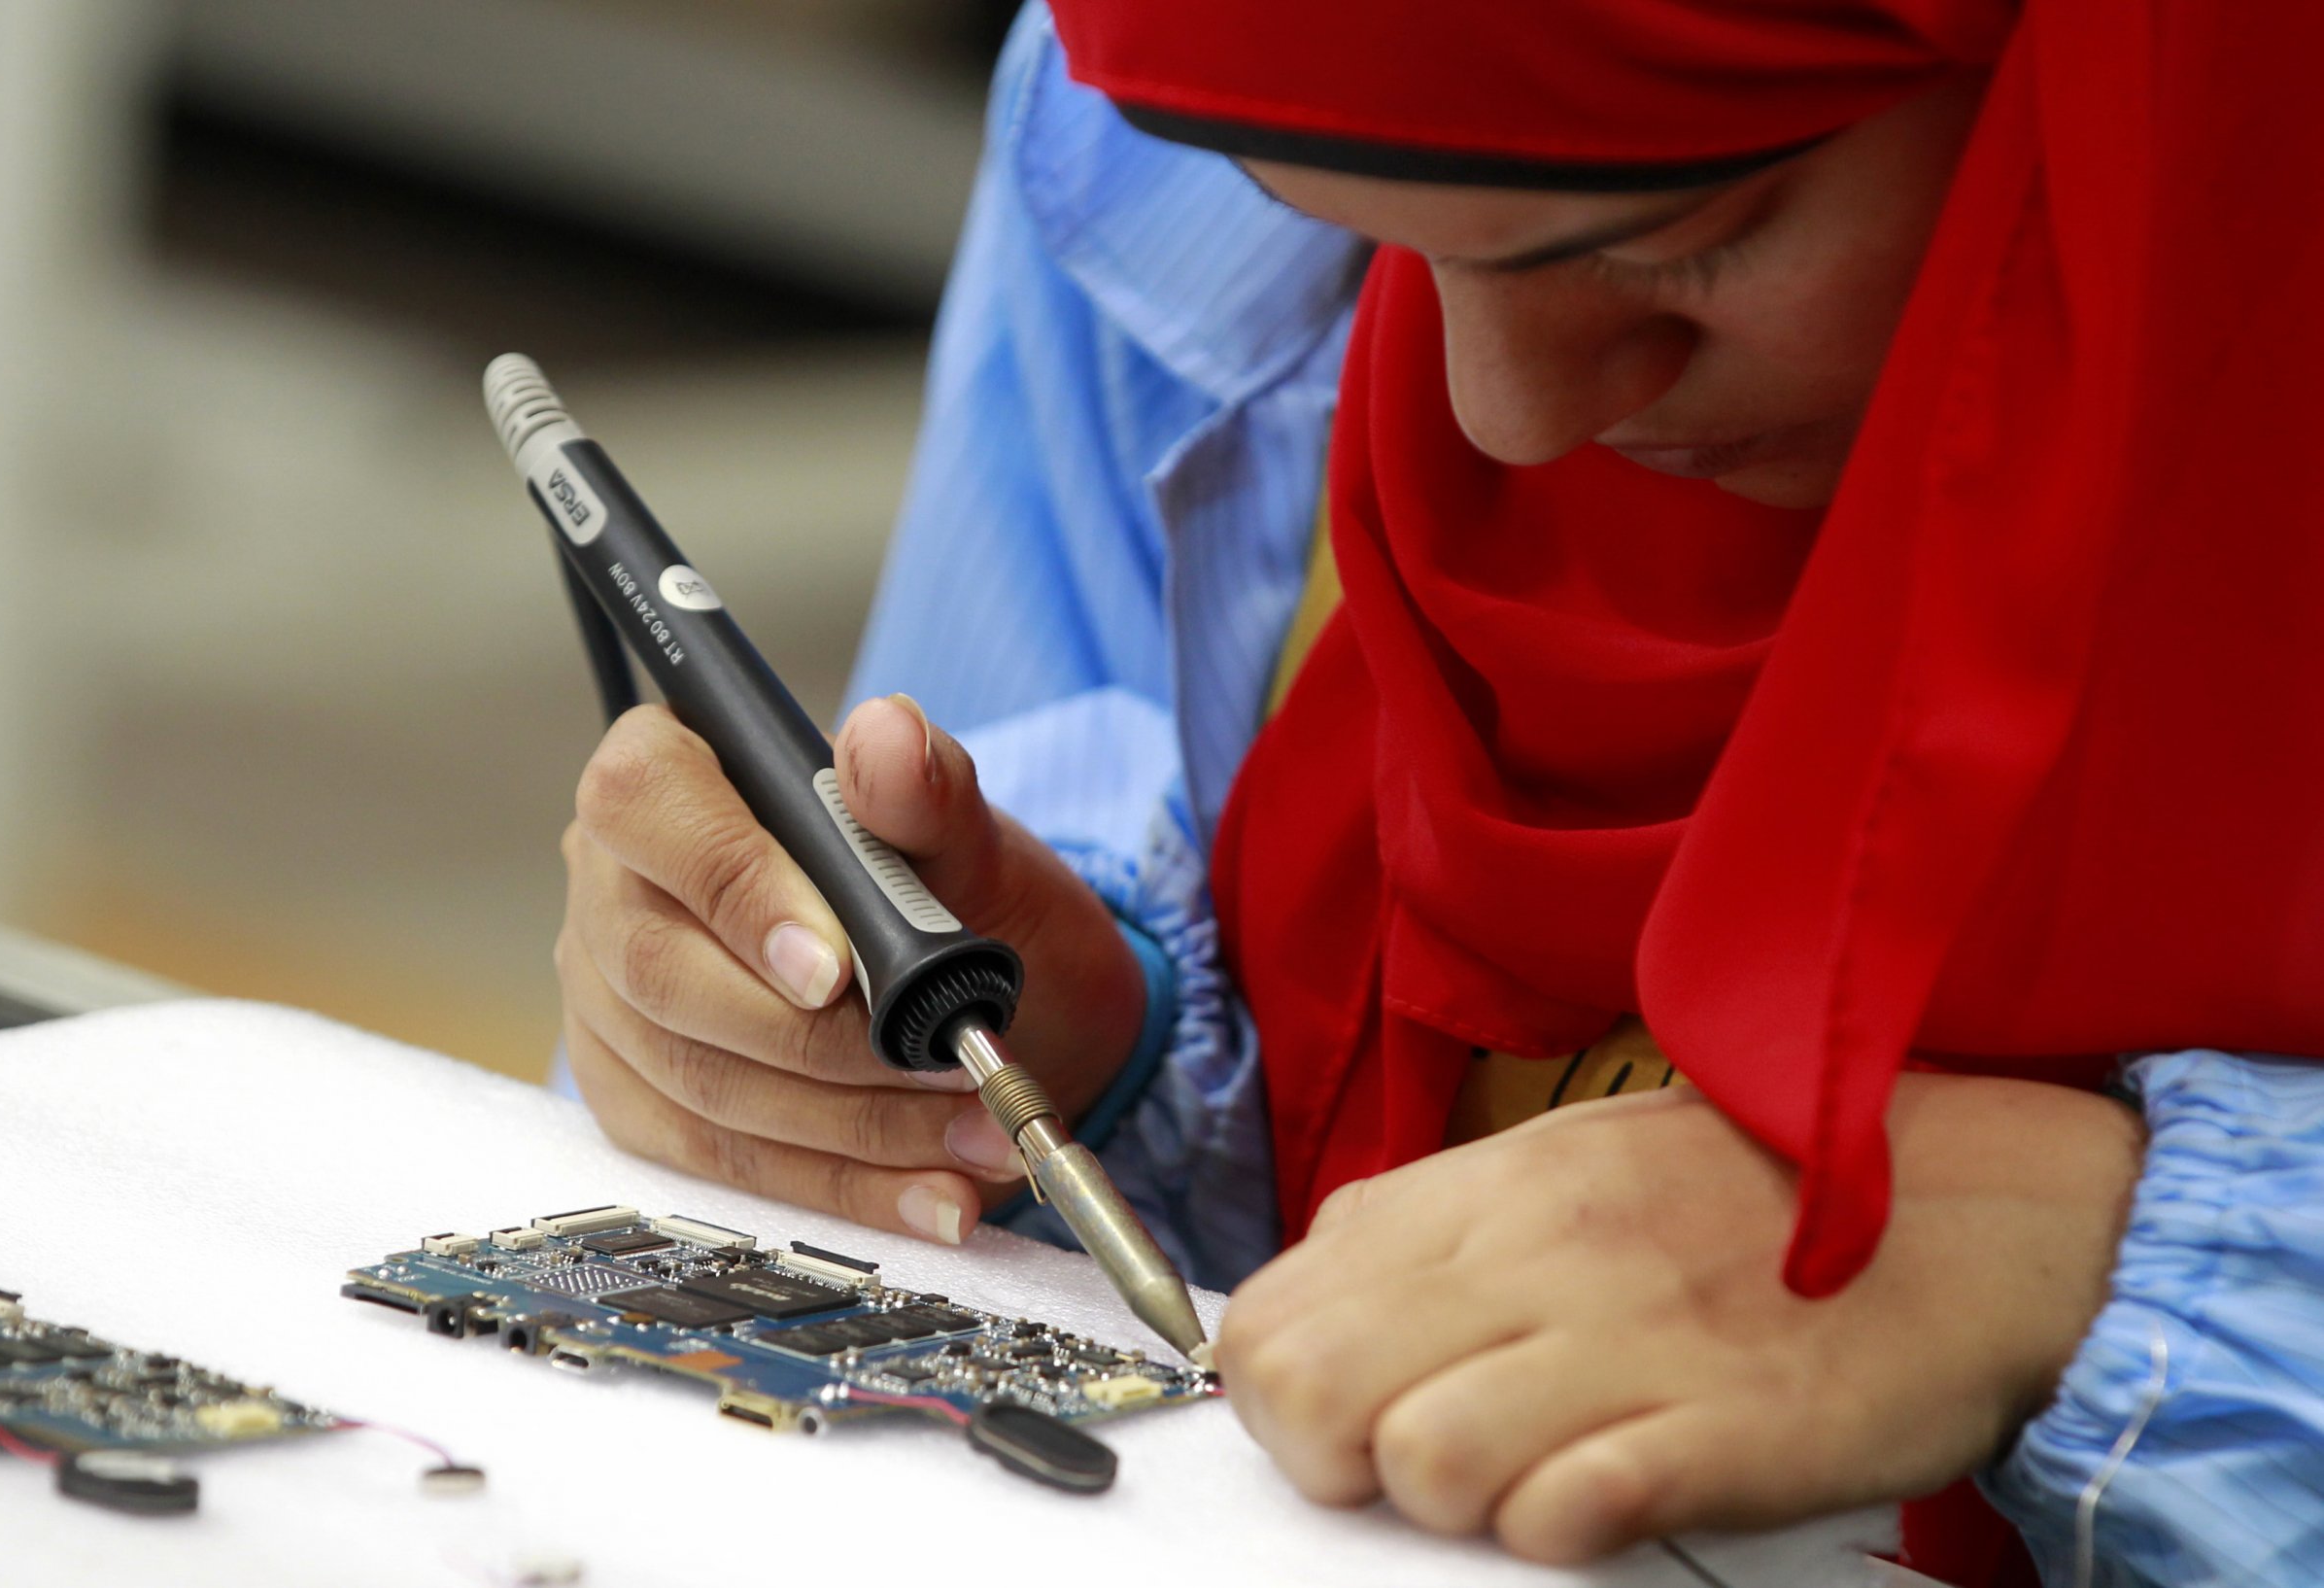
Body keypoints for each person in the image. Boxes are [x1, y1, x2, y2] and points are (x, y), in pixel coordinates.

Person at [554, 3, 2324, 1584]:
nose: (1503, 418)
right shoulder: (1150, 107)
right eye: (1349, 240)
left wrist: (2101, 1257)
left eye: (1675, 242)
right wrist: (1100, 1046)